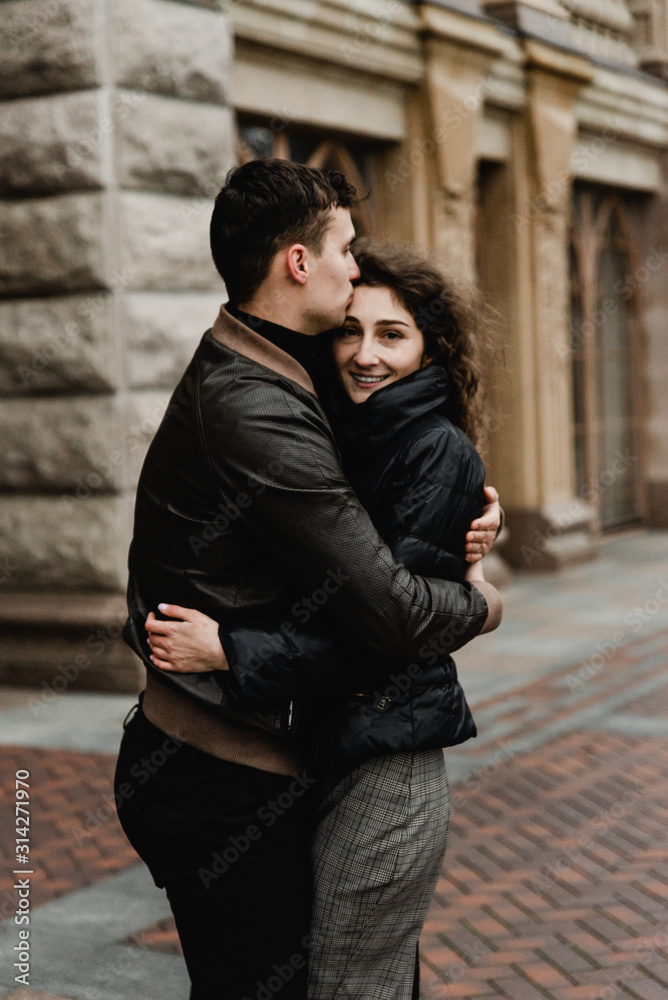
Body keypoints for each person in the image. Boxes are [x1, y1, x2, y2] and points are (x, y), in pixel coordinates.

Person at [114, 158, 502, 1000]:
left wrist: (473, 552)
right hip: (218, 772)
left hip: (311, 756)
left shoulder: (288, 379)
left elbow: (378, 597)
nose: (354, 266)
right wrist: (481, 602)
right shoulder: (261, 404)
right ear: (299, 263)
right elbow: (393, 617)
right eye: (345, 249)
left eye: (393, 333)